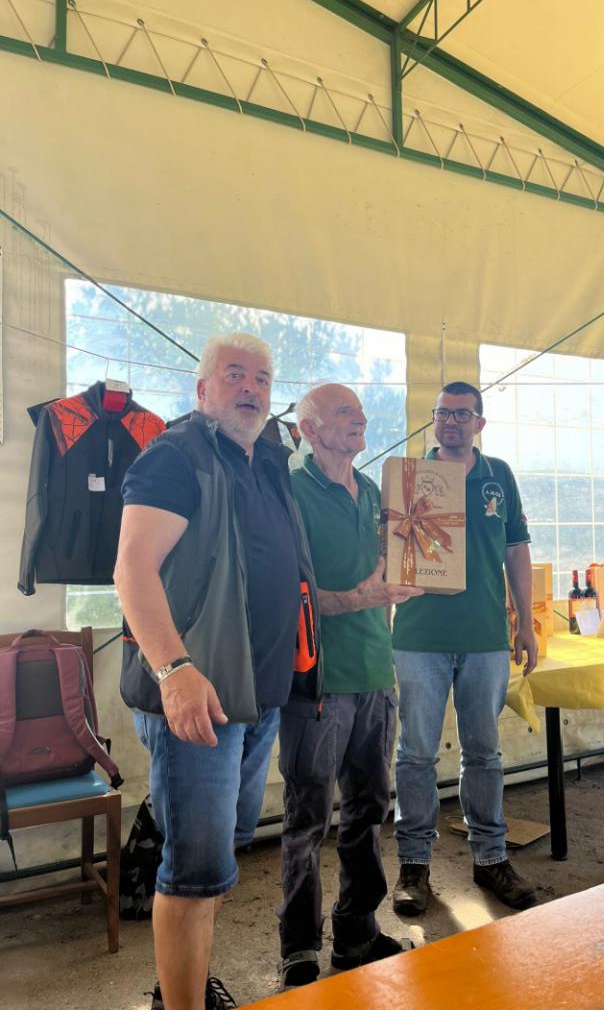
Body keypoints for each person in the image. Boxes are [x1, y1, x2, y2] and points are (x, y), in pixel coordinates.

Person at [115, 333, 321, 1010]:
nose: (251, 388)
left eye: (262, 378)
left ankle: (184, 982)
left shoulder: (267, 463)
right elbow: (132, 570)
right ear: (202, 389)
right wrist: (174, 669)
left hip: (256, 697)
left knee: (219, 854)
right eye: (234, 375)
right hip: (198, 697)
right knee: (196, 866)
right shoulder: (176, 456)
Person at [278, 384, 422, 989]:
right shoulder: (289, 492)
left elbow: (406, 564)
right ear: (309, 430)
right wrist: (358, 598)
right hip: (317, 680)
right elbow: (282, 590)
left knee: (368, 811)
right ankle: (299, 949)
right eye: (344, 412)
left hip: (375, 673)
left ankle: (357, 931)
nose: (359, 419)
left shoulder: (377, 495)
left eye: (360, 413)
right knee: (307, 820)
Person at [390, 381, 538, 915]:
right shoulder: (410, 478)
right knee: (416, 753)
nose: (450, 421)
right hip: (419, 635)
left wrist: (526, 622)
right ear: (433, 419)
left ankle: (491, 857)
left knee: (484, 753)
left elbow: (516, 550)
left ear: (479, 422)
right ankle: (414, 865)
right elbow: (387, 548)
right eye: (442, 413)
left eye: (461, 414)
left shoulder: (499, 475)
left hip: (485, 637)